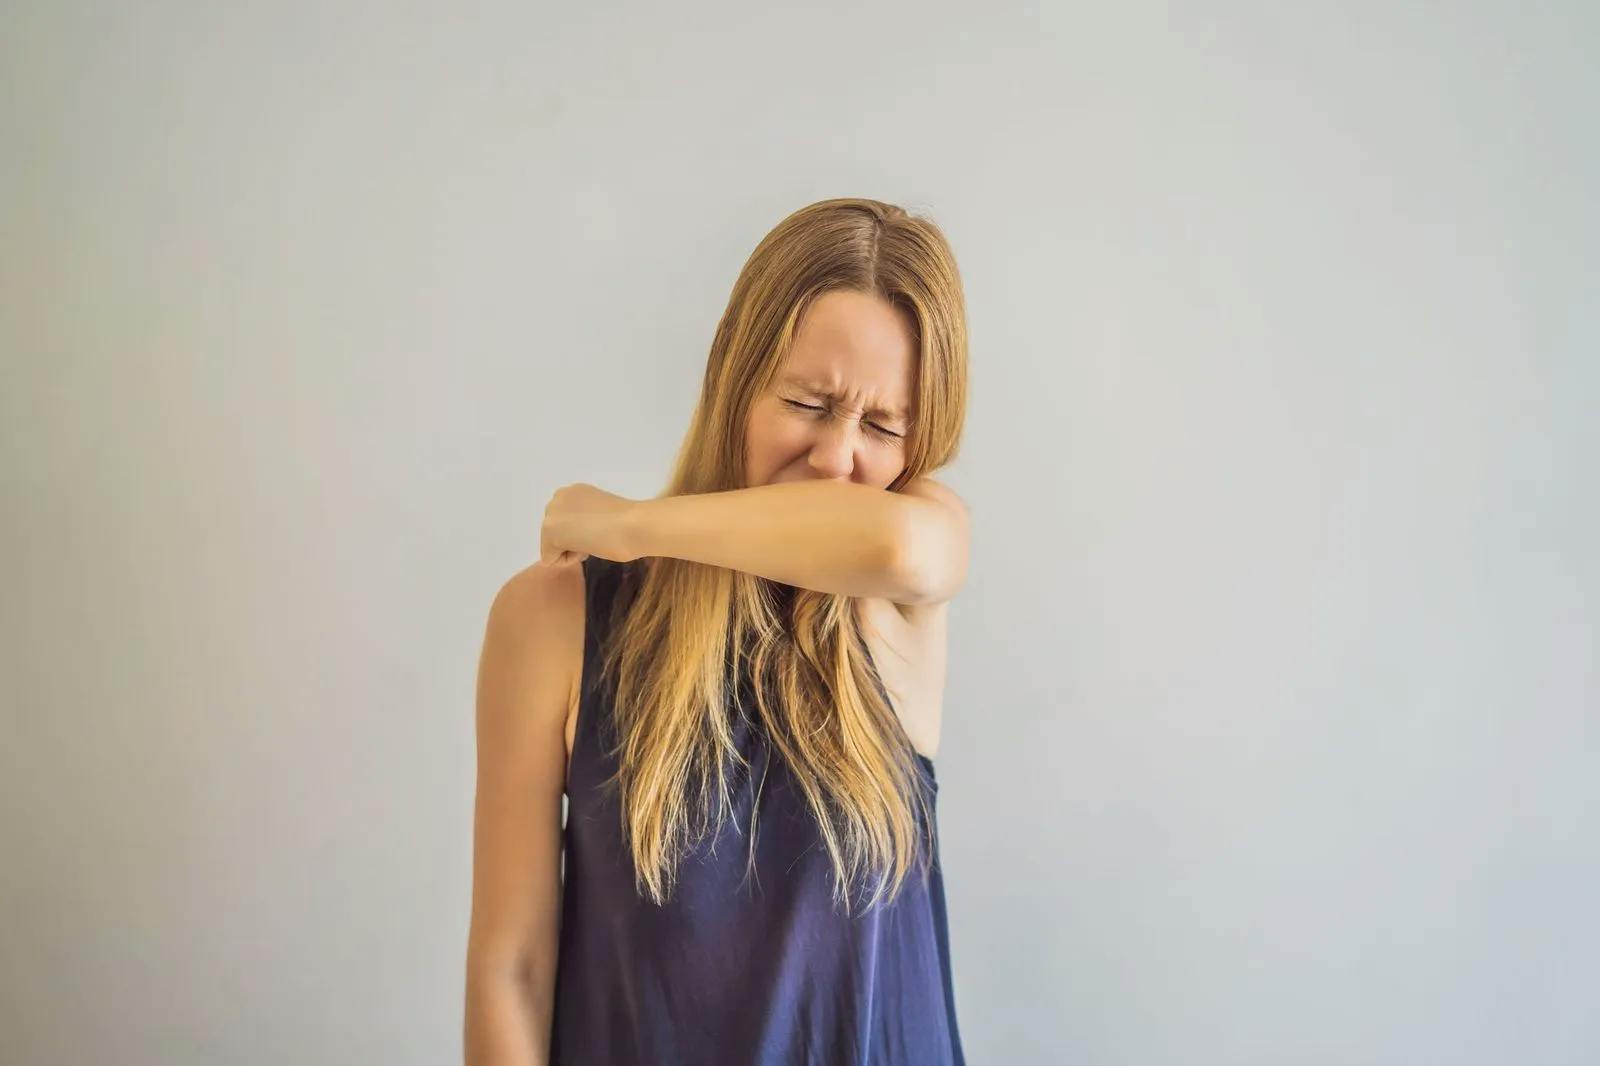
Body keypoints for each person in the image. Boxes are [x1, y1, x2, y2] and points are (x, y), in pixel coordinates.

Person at [464, 197, 971, 1065]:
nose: (838, 460)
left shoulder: (898, 603)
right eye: (810, 403)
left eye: (883, 426)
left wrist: (630, 525)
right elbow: (512, 969)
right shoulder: (552, 619)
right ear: (733, 377)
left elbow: (899, 547)